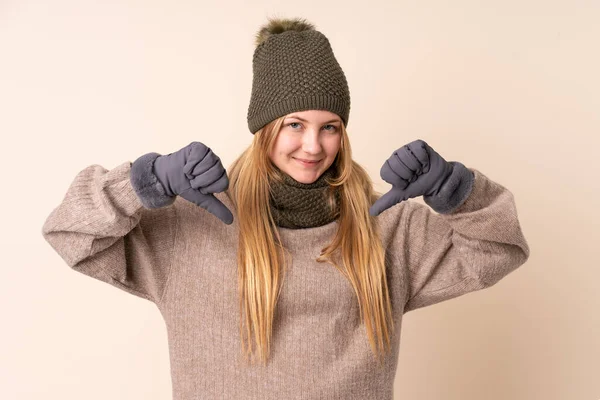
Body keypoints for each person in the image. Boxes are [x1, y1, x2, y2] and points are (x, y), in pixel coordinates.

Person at [41, 17, 530, 400]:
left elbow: (500, 248)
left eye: (330, 126)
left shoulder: (386, 226)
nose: (313, 146)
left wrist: (454, 187)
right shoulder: (191, 225)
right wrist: (143, 182)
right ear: (264, 128)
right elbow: (70, 234)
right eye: (294, 124)